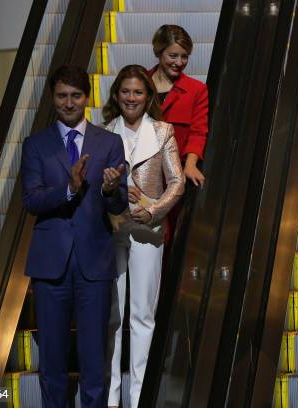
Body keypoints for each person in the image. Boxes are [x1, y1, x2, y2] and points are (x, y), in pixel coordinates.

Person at [21, 64, 127, 407]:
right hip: (50, 265)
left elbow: (119, 203)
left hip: (94, 263)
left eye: (76, 96)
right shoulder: (35, 144)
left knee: (94, 356)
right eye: (62, 96)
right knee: (51, 358)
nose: (69, 103)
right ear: (53, 98)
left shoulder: (109, 142)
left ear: (87, 97)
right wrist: (68, 189)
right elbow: (32, 199)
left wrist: (111, 190)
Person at [102, 65, 184, 408]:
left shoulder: (163, 131)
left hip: (148, 231)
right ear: (116, 95)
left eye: (137, 92)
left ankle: (138, 399)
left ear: (148, 96)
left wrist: (153, 211)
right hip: (114, 228)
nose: (131, 98)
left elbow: (177, 182)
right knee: (112, 315)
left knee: (142, 315)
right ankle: (110, 397)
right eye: (125, 91)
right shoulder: (104, 132)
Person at [148, 24, 208, 189]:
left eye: (185, 57)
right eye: (173, 56)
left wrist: (190, 164)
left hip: (174, 175)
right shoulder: (138, 83)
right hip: (139, 173)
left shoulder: (196, 90)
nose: (179, 62)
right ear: (159, 53)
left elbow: (198, 132)